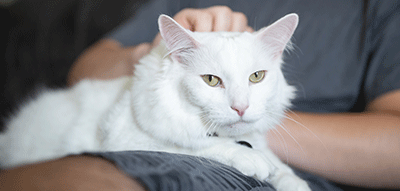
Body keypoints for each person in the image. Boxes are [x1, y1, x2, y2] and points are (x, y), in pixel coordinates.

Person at [1, 0, 400, 190]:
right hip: (130, 124)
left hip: (255, 159)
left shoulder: (375, 9)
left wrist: (248, 134)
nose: (241, 101)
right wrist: (158, 52)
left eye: (259, 75)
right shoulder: (180, 4)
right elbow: (85, 71)